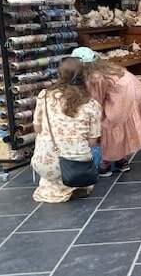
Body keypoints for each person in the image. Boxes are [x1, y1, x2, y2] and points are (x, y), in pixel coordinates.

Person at [31, 57, 102, 203]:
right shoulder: (91, 104)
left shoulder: (44, 96)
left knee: (43, 136)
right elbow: (93, 141)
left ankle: (53, 184)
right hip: (77, 166)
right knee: (96, 149)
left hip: (44, 163)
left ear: (59, 75)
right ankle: (75, 186)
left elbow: (37, 127)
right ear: (85, 76)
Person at [76, 47, 141, 177]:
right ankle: (121, 161)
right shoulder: (107, 67)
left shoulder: (95, 77)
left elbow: (96, 100)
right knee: (121, 127)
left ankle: (105, 163)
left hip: (123, 98)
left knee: (110, 125)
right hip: (135, 93)